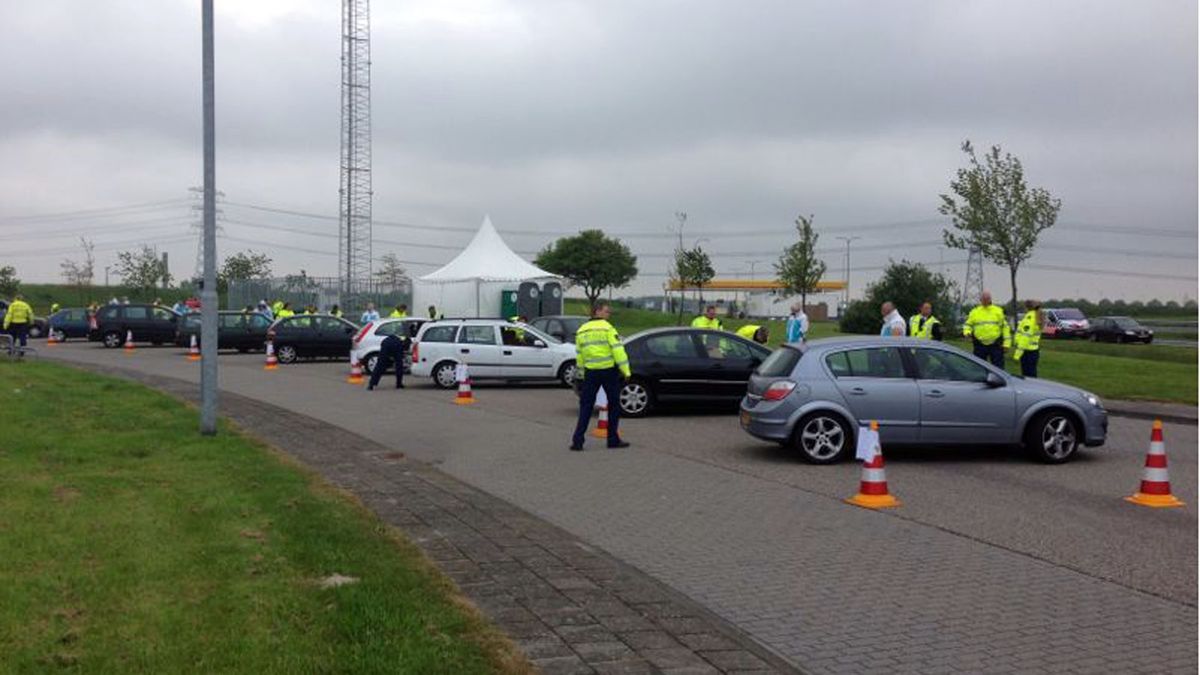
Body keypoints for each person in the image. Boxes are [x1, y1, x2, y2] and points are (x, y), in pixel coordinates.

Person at [571, 302, 630, 451]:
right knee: (614, 405)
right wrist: (626, 371)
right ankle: (612, 439)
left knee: (586, 406)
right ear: (597, 312)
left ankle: (578, 441)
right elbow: (618, 350)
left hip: (591, 372)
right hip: (608, 371)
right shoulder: (608, 328)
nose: (608, 314)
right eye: (606, 311)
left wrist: (582, 373)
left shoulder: (581, 330)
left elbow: (580, 355)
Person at [963, 291, 1011, 368]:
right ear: (980, 300)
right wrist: (967, 332)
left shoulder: (998, 311)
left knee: (998, 367)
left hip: (995, 344)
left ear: (990, 299)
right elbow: (968, 325)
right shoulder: (975, 312)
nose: (985, 301)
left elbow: (1005, 328)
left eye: (987, 299)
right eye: (983, 299)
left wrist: (1006, 344)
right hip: (979, 344)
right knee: (979, 367)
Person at [1013, 300, 1042, 377]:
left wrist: (1017, 354)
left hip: (1027, 351)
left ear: (1026, 307)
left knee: (1027, 376)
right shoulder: (1035, 316)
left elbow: (1025, 337)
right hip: (1033, 350)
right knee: (1031, 375)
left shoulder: (1030, 318)